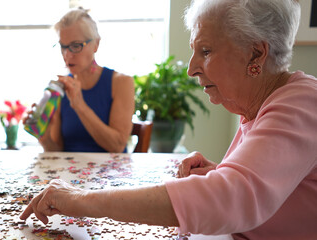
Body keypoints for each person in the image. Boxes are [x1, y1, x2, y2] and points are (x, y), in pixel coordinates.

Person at [21, 0, 317, 239]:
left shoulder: (303, 103)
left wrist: (81, 200)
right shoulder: (260, 107)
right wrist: (219, 172)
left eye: (206, 51)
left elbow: (232, 199)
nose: (191, 68)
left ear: (256, 54)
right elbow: (263, 190)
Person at [25, 8, 135, 153]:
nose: (67, 55)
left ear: (96, 44)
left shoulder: (121, 82)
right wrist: (44, 139)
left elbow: (117, 146)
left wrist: (79, 105)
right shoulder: (60, 88)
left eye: (75, 46)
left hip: (111, 173)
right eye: (62, 47)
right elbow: (57, 152)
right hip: (70, 174)